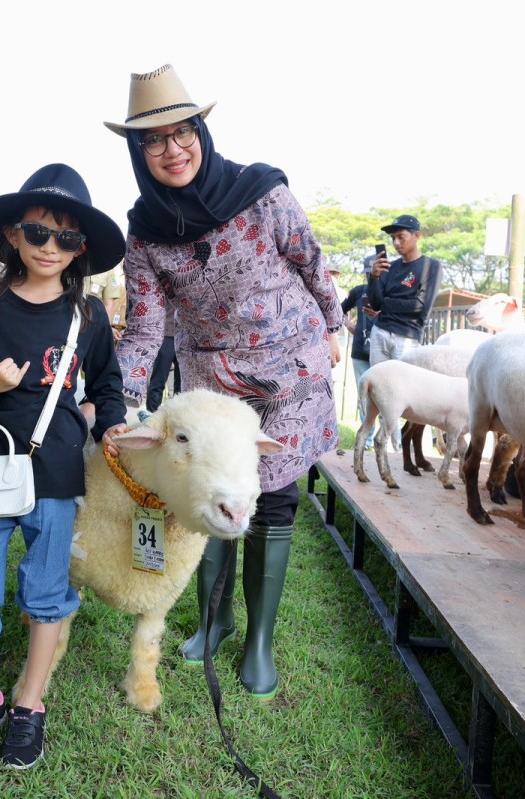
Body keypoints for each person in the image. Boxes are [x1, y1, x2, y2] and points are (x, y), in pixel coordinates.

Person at [103, 64, 343, 699]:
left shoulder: (262, 193)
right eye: (154, 140)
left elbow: (312, 262)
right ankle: (215, 620)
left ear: (201, 132)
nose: (172, 149)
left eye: (182, 132)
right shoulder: (144, 232)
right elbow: (145, 327)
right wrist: (122, 399)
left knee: (274, 496)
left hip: (290, 370)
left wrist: (334, 325)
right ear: (138, 151)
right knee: (207, 493)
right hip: (214, 385)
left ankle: (259, 638)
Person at [0, 164, 127, 767]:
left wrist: (113, 423)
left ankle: (29, 701)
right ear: (13, 235)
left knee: (46, 591)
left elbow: (107, 384)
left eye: (67, 238)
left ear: (82, 249)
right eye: (39, 232)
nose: (52, 247)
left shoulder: (89, 315)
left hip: (56, 473)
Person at [366, 215, 442, 451]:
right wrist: (374, 277)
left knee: (407, 396)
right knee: (379, 392)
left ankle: (404, 450)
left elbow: (420, 307)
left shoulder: (430, 266)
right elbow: (375, 302)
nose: (396, 243)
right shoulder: (390, 267)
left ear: (417, 236)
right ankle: (386, 448)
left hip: (407, 337)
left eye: (401, 237)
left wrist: (386, 304)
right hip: (380, 333)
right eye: (393, 238)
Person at [343, 251, 386, 447]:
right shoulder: (358, 291)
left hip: (383, 353)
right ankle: (367, 440)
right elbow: (337, 310)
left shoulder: (389, 293)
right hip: (361, 352)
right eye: (370, 271)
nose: (373, 274)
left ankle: (385, 440)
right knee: (364, 398)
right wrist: (349, 326)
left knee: (385, 397)